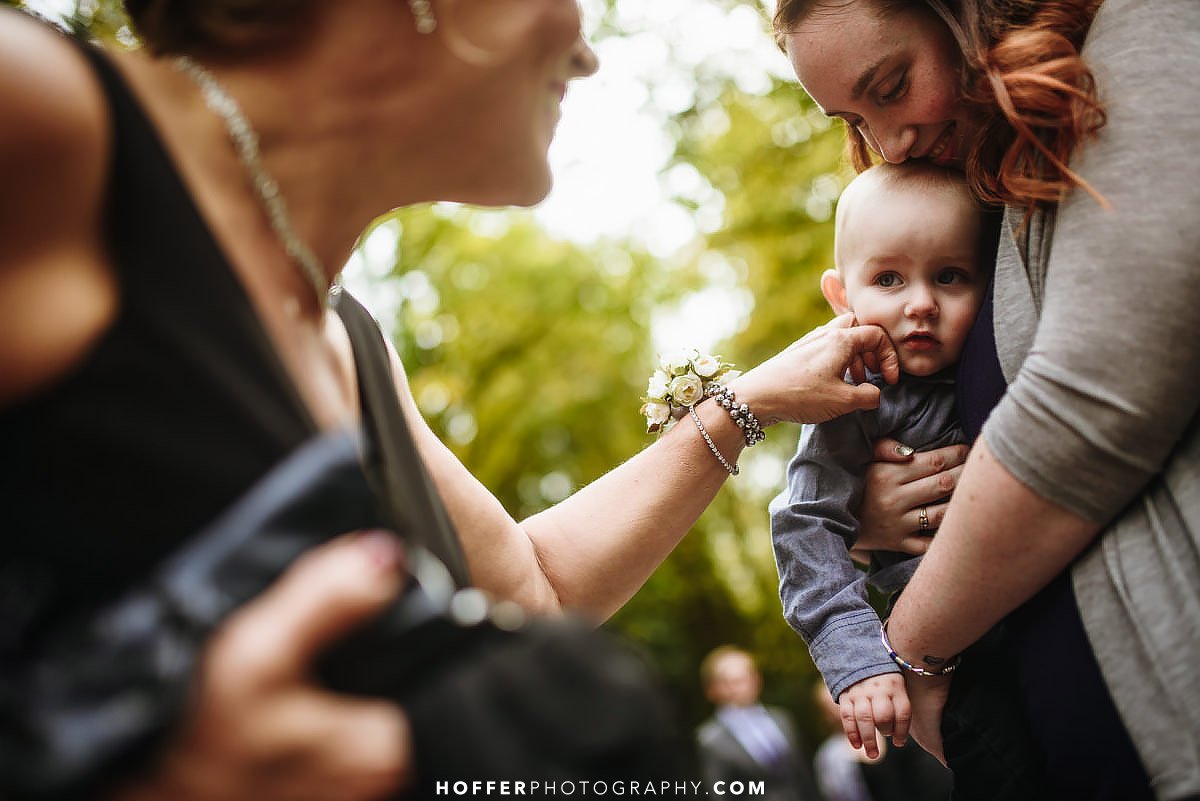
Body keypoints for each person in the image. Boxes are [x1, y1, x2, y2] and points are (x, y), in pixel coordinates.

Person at [0, 1, 910, 799]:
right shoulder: (46, 118)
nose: (587, 51)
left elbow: (534, 593)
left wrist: (745, 404)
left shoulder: (348, 343)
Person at [771, 0, 1200, 800]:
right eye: (855, 122)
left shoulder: (1143, 34)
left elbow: (1091, 404)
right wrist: (873, 514)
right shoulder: (992, 174)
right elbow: (816, 513)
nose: (887, 145)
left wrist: (914, 647)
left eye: (893, 86)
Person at [769, 161, 991, 758]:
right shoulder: (854, 400)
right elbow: (805, 523)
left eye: (950, 276)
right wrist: (859, 657)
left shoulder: (1001, 364)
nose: (921, 303)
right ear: (842, 296)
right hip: (953, 649)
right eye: (889, 279)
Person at [695, 646, 824, 801]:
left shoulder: (782, 719)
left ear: (756, 679)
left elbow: (803, 777)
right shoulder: (709, 739)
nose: (739, 686)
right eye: (729, 681)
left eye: (745, 677)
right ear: (711, 689)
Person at [810, 680, 951, 801]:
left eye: (838, 701)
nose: (837, 709)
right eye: (830, 705)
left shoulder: (890, 726)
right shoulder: (832, 754)